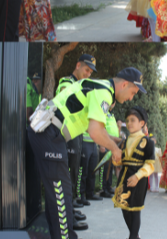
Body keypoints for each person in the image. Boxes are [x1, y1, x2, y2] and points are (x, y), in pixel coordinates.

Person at [27, 67, 145, 239]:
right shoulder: (104, 92)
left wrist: (119, 142)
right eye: (133, 92)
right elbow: (95, 131)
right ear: (124, 84)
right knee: (62, 195)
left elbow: (98, 130)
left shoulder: (101, 87)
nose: (131, 98)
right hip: (49, 134)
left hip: (50, 134)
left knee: (60, 193)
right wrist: (114, 149)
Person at [57, 54, 97, 228]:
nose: (88, 74)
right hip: (67, 135)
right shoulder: (66, 82)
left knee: (73, 175)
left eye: (90, 72)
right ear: (78, 65)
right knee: (67, 177)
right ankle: (66, 220)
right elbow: (70, 102)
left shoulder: (82, 85)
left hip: (77, 135)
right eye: (86, 69)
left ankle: (70, 209)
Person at [112, 106, 155, 239]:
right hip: (124, 177)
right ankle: (135, 235)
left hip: (138, 179)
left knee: (135, 210)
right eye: (127, 120)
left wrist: (138, 176)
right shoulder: (124, 142)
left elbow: (150, 165)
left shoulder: (147, 142)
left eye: (133, 120)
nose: (129, 123)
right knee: (124, 207)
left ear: (142, 123)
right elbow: (122, 161)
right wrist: (116, 160)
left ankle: (133, 235)